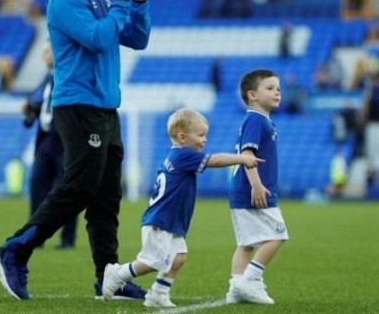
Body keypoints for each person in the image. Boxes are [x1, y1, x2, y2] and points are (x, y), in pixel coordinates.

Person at [0, 0, 156, 301]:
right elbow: (98, 39)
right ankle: (14, 250)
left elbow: (137, 39)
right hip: (77, 106)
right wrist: (122, 2)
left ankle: (107, 279)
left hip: (105, 109)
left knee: (105, 200)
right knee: (79, 187)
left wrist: (138, 3)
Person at [101, 108, 264, 307]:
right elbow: (214, 160)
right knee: (153, 261)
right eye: (201, 135)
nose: (204, 140)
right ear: (182, 137)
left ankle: (159, 293)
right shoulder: (183, 155)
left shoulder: (178, 155)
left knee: (178, 257)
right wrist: (242, 158)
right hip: (161, 221)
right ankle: (116, 274)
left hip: (171, 221)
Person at [225, 69, 288, 305]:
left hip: (243, 191)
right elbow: (247, 154)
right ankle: (250, 280)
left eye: (278, 89)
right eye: (270, 88)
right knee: (277, 235)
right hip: (253, 190)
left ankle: (235, 288)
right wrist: (257, 186)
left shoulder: (263, 120)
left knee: (246, 244)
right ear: (252, 95)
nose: (277, 93)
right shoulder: (255, 119)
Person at [23, 46, 78, 250]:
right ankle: (35, 235)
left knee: (66, 189)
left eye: (47, 51)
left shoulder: (69, 75)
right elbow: (44, 105)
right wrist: (30, 110)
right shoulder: (48, 77)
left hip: (63, 141)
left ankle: (67, 238)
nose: (42, 54)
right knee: (38, 183)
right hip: (45, 139)